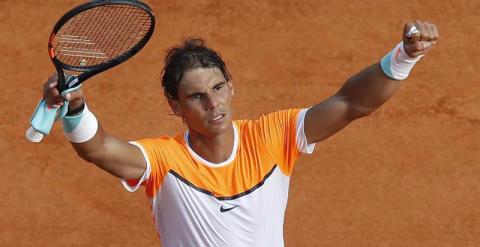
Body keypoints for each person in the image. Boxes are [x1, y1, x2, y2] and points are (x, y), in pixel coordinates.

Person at [42, 20, 438, 246]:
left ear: (231, 86)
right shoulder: (165, 161)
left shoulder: (273, 136)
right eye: (196, 97)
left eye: (217, 88)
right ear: (175, 107)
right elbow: (99, 149)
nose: (213, 104)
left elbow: (354, 103)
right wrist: (76, 109)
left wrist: (403, 57)